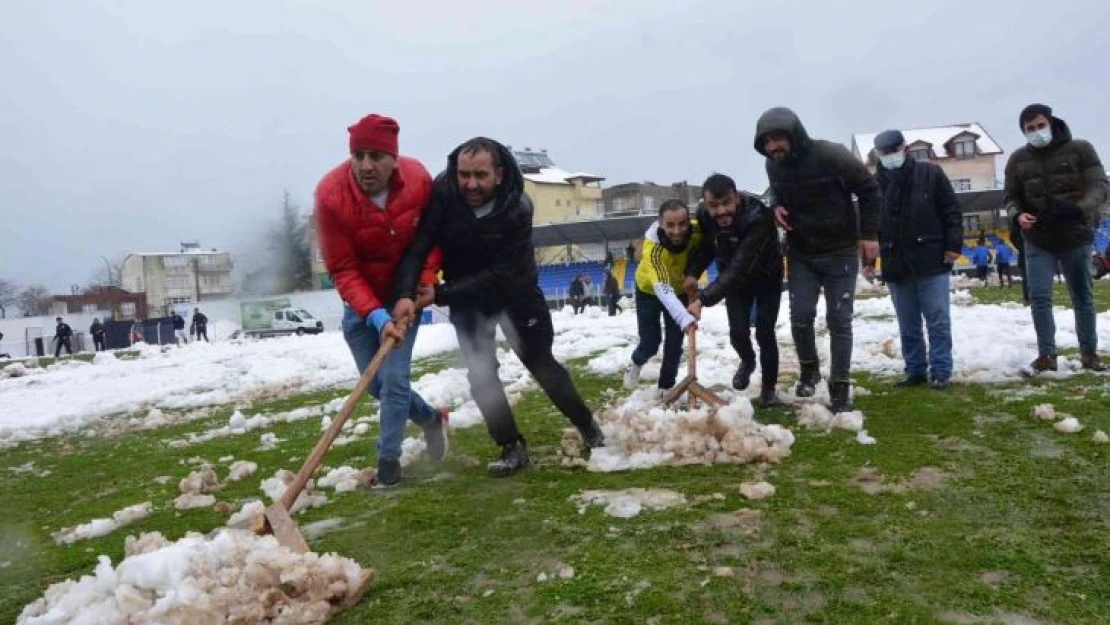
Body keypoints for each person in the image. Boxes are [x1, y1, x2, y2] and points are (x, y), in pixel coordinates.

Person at [392, 136, 604, 477]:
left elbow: (505, 273)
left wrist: (441, 294)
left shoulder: (517, 207)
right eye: (464, 175)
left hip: (514, 290)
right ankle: (511, 445)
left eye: (480, 176)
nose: (470, 184)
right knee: (481, 374)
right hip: (467, 298)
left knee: (542, 364)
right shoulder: (444, 194)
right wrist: (405, 292)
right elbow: (420, 246)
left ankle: (588, 426)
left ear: (500, 175)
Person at [314, 113, 449, 487]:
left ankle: (388, 464)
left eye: (375, 156)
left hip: (404, 297)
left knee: (393, 381)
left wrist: (422, 283)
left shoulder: (418, 179)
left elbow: (431, 239)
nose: (365, 166)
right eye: (358, 155)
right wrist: (373, 315)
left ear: (394, 157)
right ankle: (430, 419)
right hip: (359, 303)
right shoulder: (330, 195)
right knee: (375, 385)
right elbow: (342, 268)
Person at [754, 107, 881, 413]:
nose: (773, 148)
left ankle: (840, 387)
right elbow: (777, 195)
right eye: (767, 143)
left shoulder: (831, 155)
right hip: (802, 252)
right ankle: (809, 369)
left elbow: (869, 189)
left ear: (794, 134)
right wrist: (776, 207)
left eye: (778, 139)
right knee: (800, 315)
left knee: (839, 320)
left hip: (840, 251)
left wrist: (871, 235)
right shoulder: (774, 167)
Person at [1004, 103, 1108, 373]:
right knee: (1039, 297)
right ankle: (1046, 355)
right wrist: (1017, 215)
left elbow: (1099, 186)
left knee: (1082, 296)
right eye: (1030, 129)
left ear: (1050, 122)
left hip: (1076, 235)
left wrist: (1078, 208)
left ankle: (1089, 353)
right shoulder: (1017, 159)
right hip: (1039, 238)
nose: (1036, 132)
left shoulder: (1080, 149)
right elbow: (1011, 197)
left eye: (1040, 125)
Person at [870, 130, 962, 390]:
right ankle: (915, 370)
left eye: (893, 151)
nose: (889, 157)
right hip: (895, 261)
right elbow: (870, 224)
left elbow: (951, 210)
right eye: (884, 153)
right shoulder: (875, 184)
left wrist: (953, 245)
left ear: (905, 148)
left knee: (937, 318)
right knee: (908, 322)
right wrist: (869, 258)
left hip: (930, 257)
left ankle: (941, 369)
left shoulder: (931, 174)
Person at [685, 173, 784, 406]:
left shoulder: (758, 216)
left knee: (764, 332)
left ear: (736, 198)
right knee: (737, 333)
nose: (721, 211)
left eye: (726, 203)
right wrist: (693, 272)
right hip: (734, 280)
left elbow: (741, 265)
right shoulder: (703, 216)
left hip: (766, 277)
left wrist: (703, 299)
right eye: (713, 206)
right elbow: (707, 249)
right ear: (705, 203)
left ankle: (769, 390)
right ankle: (748, 361)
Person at [622, 199, 702, 394]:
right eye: (670, 225)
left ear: (688, 221)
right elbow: (662, 290)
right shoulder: (653, 248)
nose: (677, 231)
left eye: (682, 224)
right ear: (660, 224)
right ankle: (635, 362)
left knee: (674, 343)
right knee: (651, 342)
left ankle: (666, 388)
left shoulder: (697, 231)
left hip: (680, 289)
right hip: (650, 291)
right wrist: (684, 318)